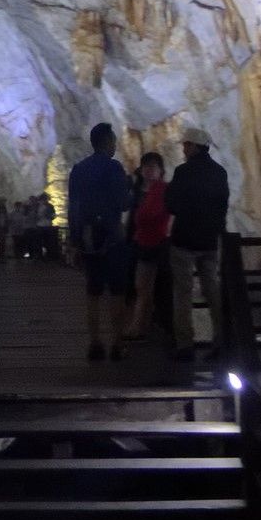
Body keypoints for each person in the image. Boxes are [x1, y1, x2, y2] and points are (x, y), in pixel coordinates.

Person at [67, 123, 133, 361]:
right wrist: (130, 189)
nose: (115, 145)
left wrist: (73, 241)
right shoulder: (114, 168)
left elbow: (73, 207)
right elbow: (123, 204)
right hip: (112, 237)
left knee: (93, 292)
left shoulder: (79, 170)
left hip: (88, 239)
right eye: (113, 141)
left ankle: (95, 343)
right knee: (117, 292)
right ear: (107, 142)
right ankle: (117, 343)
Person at [164, 126, 229, 361]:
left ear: (193, 146)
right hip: (210, 241)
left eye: (185, 145)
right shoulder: (219, 172)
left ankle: (185, 345)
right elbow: (223, 205)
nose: (183, 149)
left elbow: (171, 204)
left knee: (183, 293)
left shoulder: (183, 172)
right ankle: (222, 340)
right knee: (213, 291)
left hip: (184, 241)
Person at [125, 152, 170, 342]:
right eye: (146, 167)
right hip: (140, 242)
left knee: (155, 286)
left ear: (161, 171)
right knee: (141, 286)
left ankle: (147, 325)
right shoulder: (135, 191)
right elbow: (131, 218)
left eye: (153, 167)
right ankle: (142, 325)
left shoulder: (165, 190)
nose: (150, 171)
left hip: (160, 242)